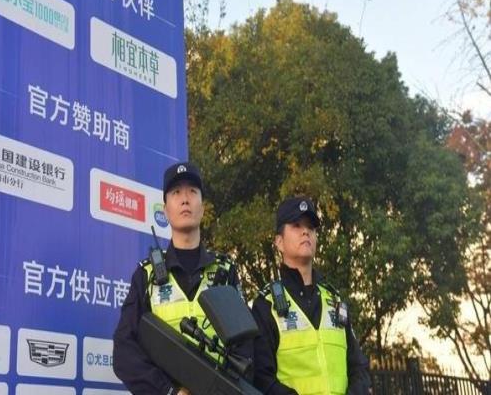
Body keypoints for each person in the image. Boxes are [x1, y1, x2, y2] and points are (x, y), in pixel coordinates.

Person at [113, 162, 248, 395]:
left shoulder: (226, 271)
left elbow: (246, 348)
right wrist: (169, 391)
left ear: (202, 208)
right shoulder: (146, 275)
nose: (185, 199)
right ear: (165, 211)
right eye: (176, 193)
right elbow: (124, 351)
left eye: (192, 192)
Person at [251, 196, 371, 395]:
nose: (305, 231)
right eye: (296, 225)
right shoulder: (265, 305)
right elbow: (261, 378)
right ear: (279, 242)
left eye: (311, 227)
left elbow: (359, 368)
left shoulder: (335, 302)